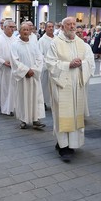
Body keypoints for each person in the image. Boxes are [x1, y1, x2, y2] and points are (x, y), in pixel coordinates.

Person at [46, 17, 93, 162]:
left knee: (74, 114)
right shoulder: (55, 43)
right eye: (69, 24)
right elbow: (50, 63)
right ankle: (64, 147)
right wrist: (68, 65)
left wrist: (82, 64)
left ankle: (72, 143)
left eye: (74, 24)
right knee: (63, 115)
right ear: (62, 26)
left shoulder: (81, 43)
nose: (72, 27)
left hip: (77, 85)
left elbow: (90, 61)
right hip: (62, 85)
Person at [10, 23, 45, 129]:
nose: (26, 32)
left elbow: (40, 58)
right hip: (23, 77)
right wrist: (26, 71)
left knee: (36, 97)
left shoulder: (34, 44)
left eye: (28, 30)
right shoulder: (15, 45)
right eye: (24, 29)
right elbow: (14, 61)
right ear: (19, 31)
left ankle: (36, 119)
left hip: (33, 76)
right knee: (23, 97)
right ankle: (23, 119)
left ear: (30, 32)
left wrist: (33, 70)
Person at [0, 20, 17, 116]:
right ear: (4, 27)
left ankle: (9, 108)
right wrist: (3, 62)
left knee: (10, 89)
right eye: (10, 27)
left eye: (13, 27)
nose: (12, 29)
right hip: (1, 69)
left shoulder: (16, 39)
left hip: (11, 69)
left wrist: (15, 62)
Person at [75, 25, 95, 117]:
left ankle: (81, 113)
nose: (79, 34)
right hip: (73, 73)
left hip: (83, 73)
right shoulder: (69, 45)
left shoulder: (86, 46)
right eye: (77, 32)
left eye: (80, 32)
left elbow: (90, 60)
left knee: (82, 95)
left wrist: (82, 63)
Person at [38, 21, 54, 110]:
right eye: (49, 27)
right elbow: (40, 54)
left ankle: (54, 102)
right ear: (45, 28)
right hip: (46, 66)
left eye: (52, 27)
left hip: (56, 66)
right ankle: (43, 102)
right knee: (44, 85)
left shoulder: (57, 39)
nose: (51, 28)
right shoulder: (42, 40)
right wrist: (47, 63)